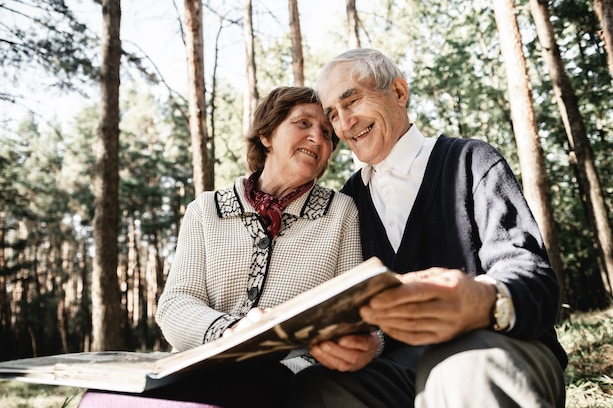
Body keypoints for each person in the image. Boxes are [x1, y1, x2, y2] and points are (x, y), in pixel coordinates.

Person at [285, 48, 568, 408]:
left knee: (460, 369)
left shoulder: (470, 160)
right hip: (399, 373)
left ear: (399, 93)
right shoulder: (348, 203)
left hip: (501, 349)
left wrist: (481, 301)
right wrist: (358, 341)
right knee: (316, 390)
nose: (344, 124)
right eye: (333, 115)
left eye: (351, 100)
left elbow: (536, 280)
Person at [77, 86, 363, 408]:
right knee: (102, 400)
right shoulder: (206, 210)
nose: (318, 138)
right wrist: (230, 331)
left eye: (327, 133)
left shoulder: (340, 212)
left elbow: (356, 311)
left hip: (288, 377)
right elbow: (175, 305)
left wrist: (363, 342)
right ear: (266, 135)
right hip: (196, 366)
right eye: (303, 123)